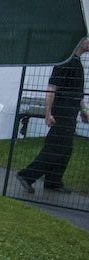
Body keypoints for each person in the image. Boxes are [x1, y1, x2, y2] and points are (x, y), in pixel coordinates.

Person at [17, 39, 89, 194]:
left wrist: (83, 110)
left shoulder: (77, 63)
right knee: (55, 148)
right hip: (61, 112)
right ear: (79, 42)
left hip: (71, 113)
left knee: (66, 149)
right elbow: (51, 88)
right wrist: (47, 113)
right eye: (87, 38)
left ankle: (53, 182)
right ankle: (26, 176)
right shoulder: (65, 62)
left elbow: (78, 93)